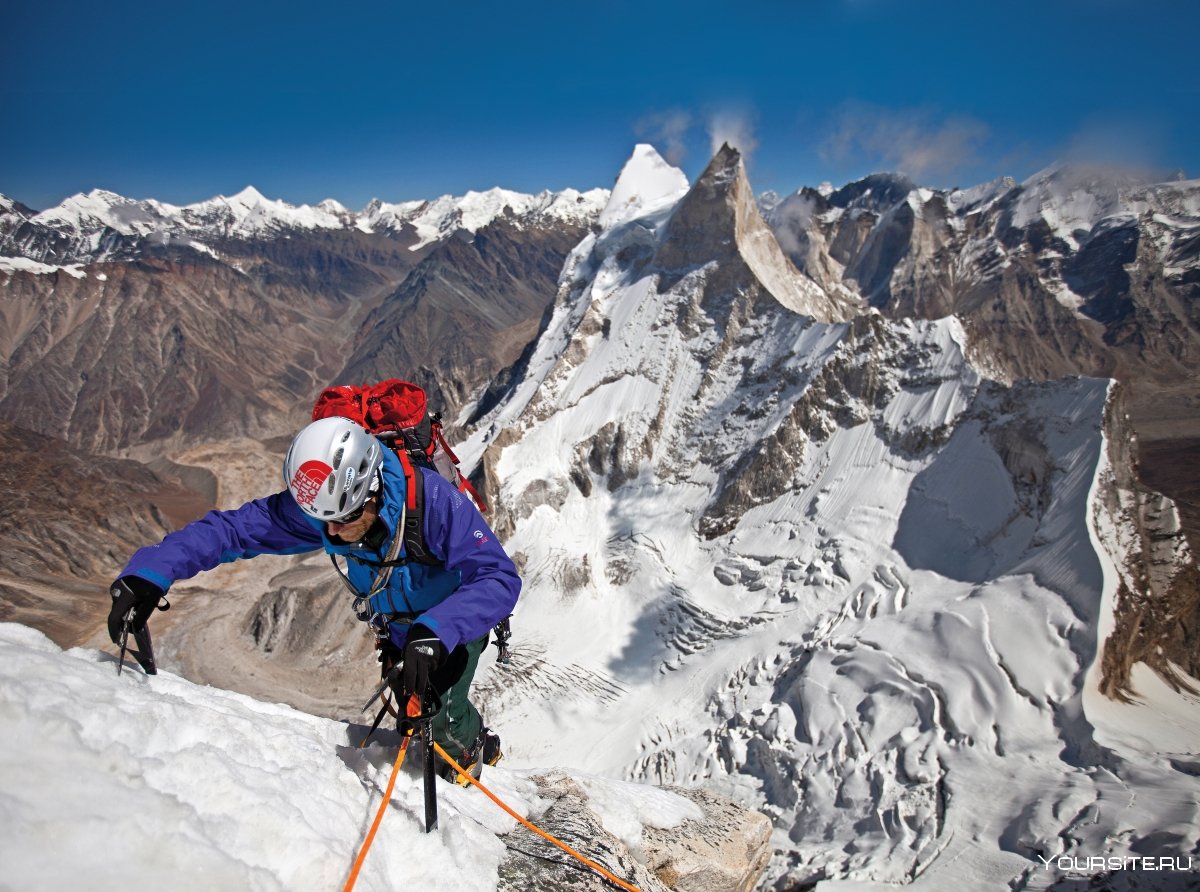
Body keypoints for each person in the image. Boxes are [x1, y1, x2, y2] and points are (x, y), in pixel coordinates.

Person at [107, 415, 520, 782]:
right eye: (324, 523)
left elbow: (497, 577)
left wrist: (436, 631)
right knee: (414, 709)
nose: (332, 535)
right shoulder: (326, 506)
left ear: (371, 491)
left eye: (343, 521)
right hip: (400, 630)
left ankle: (469, 756)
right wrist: (152, 571)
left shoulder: (434, 503)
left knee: (441, 719)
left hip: (455, 623)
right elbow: (231, 531)